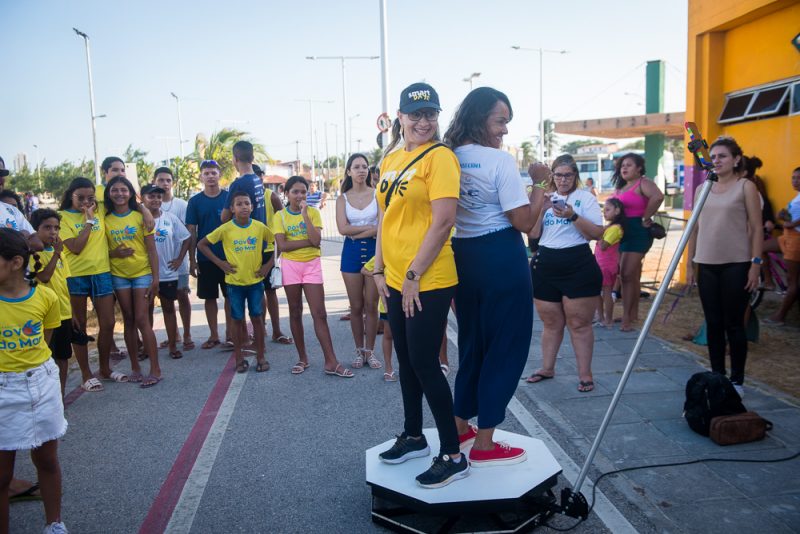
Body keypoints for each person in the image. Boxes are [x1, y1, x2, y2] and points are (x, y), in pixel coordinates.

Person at [373, 82, 468, 489]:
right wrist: (379, 271)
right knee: (409, 360)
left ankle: (452, 453)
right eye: (416, 114)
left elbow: (444, 221)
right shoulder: (392, 157)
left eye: (431, 113)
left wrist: (412, 275)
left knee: (426, 362)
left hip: (427, 278)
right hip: (394, 278)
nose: (424, 121)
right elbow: (385, 217)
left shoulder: (441, 158)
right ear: (400, 116)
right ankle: (413, 435)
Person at [443, 86, 537, 466]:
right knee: (506, 346)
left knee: (472, 344)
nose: (505, 131)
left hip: (464, 256)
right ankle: (485, 442)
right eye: (501, 121)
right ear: (481, 118)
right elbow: (525, 222)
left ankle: (460, 423)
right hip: (501, 255)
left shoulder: (446, 157)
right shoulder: (499, 162)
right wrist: (542, 185)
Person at [0, 228, 68, 534]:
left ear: (16, 262)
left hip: (41, 384)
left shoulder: (45, 297)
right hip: (3, 391)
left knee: (47, 460)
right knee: (2, 474)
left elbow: (46, 341)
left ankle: (54, 523)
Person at [687, 137, 762, 396]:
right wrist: (690, 264)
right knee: (713, 323)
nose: (716, 160)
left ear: (736, 159)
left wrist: (755, 264)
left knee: (734, 324)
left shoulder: (745, 187)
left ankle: (737, 381)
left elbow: (755, 228)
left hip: (737, 263)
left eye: (722, 156)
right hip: (706, 263)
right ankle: (717, 377)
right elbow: (694, 229)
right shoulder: (702, 188)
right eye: (714, 156)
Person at [525, 155, 604, 392]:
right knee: (550, 322)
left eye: (568, 175)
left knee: (579, 323)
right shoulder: (545, 198)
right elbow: (533, 235)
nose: (563, 180)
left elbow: (597, 234)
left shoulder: (585, 199)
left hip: (578, 264)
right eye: (558, 175)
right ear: (552, 176)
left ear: (575, 176)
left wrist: (572, 216)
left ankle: (585, 375)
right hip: (546, 264)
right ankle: (547, 368)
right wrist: (541, 210)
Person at [273, 176, 353, 378]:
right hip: (290, 266)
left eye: (303, 192)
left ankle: (331, 361)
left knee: (320, 313)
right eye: (295, 192)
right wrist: (307, 242)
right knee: (295, 311)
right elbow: (282, 246)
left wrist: (305, 217)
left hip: (311, 266)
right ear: (286, 193)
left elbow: (316, 241)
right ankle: (302, 358)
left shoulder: (313, 213)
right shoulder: (279, 216)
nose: (300, 196)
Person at [59, 177, 121, 392]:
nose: (86, 202)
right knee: (80, 327)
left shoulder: (100, 209)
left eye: (90, 197)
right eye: (80, 198)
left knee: (109, 322)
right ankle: (86, 374)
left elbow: (117, 187)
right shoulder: (62, 217)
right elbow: (75, 247)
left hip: (101, 272)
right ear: (70, 196)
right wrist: (88, 220)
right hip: (75, 275)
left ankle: (104, 369)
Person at [198, 191, 272, 373]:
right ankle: (239, 358)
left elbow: (277, 243)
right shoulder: (226, 228)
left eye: (247, 203)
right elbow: (202, 244)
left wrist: (267, 266)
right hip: (234, 284)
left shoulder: (259, 227)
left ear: (252, 207)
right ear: (231, 209)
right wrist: (220, 263)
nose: (244, 207)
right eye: (239, 204)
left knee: (257, 318)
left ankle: (261, 356)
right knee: (237, 321)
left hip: (255, 282)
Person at [105, 176, 161, 387]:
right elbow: (105, 252)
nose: (119, 194)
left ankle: (155, 369)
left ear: (130, 193)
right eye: (114, 190)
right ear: (109, 194)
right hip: (119, 275)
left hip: (141, 274)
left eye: (123, 190)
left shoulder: (141, 217)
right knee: (128, 320)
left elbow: (152, 249)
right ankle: (136, 367)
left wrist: (156, 278)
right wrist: (115, 253)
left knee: (141, 319)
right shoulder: (106, 219)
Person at [336, 153, 380, 369]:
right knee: (355, 306)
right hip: (351, 254)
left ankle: (370, 352)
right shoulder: (342, 199)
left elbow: (382, 227)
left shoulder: (378, 195)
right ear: (349, 171)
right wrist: (369, 229)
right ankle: (358, 351)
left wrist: (358, 233)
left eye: (364, 167)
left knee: (372, 305)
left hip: (375, 252)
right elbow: (342, 229)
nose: (362, 170)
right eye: (357, 167)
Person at [611, 153, 664, 331]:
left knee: (626, 274)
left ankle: (627, 318)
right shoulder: (622, 187)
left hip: (638, 232)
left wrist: (646, 216)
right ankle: (632, 315)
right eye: (622, 166)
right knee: (631, 276)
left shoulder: (643, 183)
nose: (624, 168)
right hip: (622, 232)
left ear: (639, 168)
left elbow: (657, 197)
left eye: (628, 165)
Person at [186, 160, 232, 349]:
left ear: (219, 175)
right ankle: (214, 335)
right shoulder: (195, 202)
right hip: (205, 258)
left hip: (229, 257)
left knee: (231, 297)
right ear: (201, 177)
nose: (210, 176)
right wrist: (192, 260)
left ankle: (231, 334)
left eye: (213, 172)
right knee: (209, 297)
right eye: (206, 173)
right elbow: (191, 232)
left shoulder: (229, 198)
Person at [143, 184, 191, 359]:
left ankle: (172, 346)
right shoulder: (137, 219)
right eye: (151, 196)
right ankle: (147, 347)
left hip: (168, 273)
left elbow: (186, 238)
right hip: (145, 274)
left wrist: (179, 259)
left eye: (158, 196)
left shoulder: (170, 218)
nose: (155, 200)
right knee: (146, 311)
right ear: (143, 198)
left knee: (168, 309)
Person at [31, 209, 73, 395]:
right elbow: (45, 277)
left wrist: (74, 313)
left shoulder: (60, 253)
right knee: (44, 357)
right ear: (35, 229)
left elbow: (65, 283)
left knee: (62, 357)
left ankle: (61, 395)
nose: (53, 232)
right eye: (47, 227)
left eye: (56, 228)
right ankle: (45, 395)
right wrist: (56, 254)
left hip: (64, 313)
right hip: (44, 316)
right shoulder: (33, 255)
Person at [153, 167, 194, 351]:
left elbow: (187, 233)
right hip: (159, 265)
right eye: (161, 180)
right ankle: (173, 335)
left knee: (182, 296)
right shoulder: (150, 205)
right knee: (166, 301)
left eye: (168, 180)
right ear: (155, 182)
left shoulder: (181, 205)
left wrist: (183, 258)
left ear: (173, 183)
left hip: (180, 261)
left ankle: (186, 334)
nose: (165, 183)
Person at [253, 164, 292, 345]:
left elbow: (283, 224)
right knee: (255, 293)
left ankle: (276, 330)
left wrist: (274, 258)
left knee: (270, 292)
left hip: (269, 249)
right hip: (249, 251)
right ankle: (260, 330)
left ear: (262, 177)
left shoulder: (271, 196)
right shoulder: (243, 198)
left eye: (258, 175)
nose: (256, 179)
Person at [765, 166, 800, 325]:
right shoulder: (797, 197)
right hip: (786, 236)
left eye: (798, 178)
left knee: (792, 281)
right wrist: (783, 215)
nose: (795, 181)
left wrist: (793, 223)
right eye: (793, 177)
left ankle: (780, 316)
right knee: (760, 248)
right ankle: (768, 281)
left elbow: (795, 221)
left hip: (796, 240)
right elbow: (789, 216)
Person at [362, 257, 396, 381]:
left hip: (408, 299)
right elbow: (364, 270)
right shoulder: (385, 252)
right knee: (388, 335)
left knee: (410, 337)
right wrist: (380, 277)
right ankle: (388, 368)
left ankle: (410, 368)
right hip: (388, 302)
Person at [594, 198, 626, 328]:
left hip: (607, 266)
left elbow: (603, 246)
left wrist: (598, 234)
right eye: (604, 210)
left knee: (607, 292)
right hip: (600, 264)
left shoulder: (615, 229)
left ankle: (608, 319)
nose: (604, 213)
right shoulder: (610, 227)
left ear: (617, 211)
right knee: (597, 291)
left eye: (608, 210)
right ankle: (600, 316)